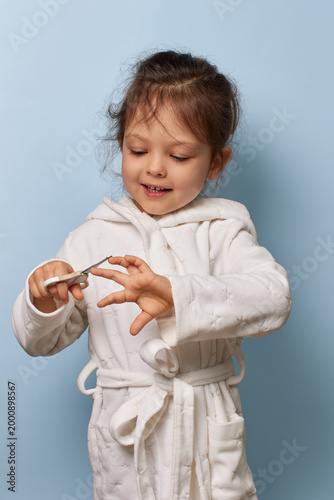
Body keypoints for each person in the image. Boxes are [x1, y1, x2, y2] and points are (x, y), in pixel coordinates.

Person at [12, 50, 292, 500]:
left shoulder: (222, 230)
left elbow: (273, 299)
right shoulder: (92, 238)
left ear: (216, 163)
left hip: (204, 426)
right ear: (121, 143)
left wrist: (178, 296)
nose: (155, 167)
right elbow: (38, 341)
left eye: (179, 156)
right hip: (126, 438)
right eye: (137, 150)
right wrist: (44, 304)